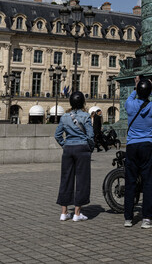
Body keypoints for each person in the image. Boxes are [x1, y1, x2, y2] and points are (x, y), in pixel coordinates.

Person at [123, 76, 152, 229]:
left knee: (130, 182)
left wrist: (136, 85)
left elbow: (130, 98)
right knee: (147, 182)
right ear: (149, 92)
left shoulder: (130, 104)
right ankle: (147, 218)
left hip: (132, 146)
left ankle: (128, 218)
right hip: (148, 145)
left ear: (137, 91)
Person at [54, 91, 94, 222]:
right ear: (83, 102)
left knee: (66, 178)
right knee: (82, 180)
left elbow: (57, 135)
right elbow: (90, 135)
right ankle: (77, 213)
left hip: (68, 149)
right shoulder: (86, 116)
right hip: (82, 149)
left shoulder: (65, 117)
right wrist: (90, 147)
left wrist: (65, 145)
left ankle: (64, 212)